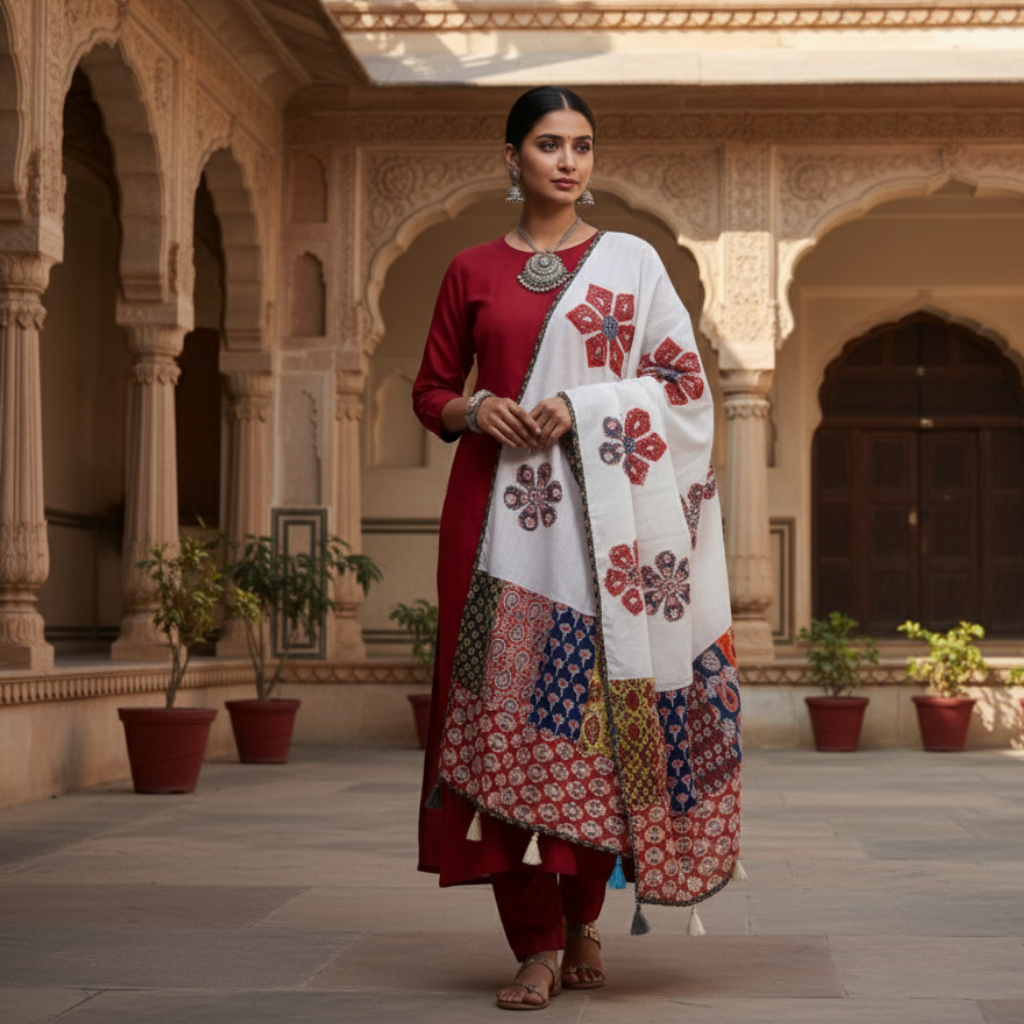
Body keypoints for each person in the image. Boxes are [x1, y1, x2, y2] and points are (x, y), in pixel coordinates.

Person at [412, 86, 742, 1011]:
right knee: (504, 727)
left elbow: (683, 387)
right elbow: (431, 390)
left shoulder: (632, 262)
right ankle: (536, 941)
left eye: (583, 145)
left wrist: (585, 405)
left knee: (593, 721)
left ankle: (585, 916)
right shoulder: (471, 269)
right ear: (511, 156)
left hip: (607, 533)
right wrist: (478, 407)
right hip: (492, 526)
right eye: (550, 144)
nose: (568, 161)